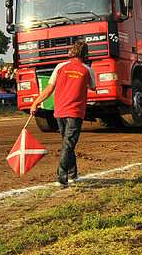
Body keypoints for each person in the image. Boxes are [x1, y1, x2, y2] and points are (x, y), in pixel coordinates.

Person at [31, 40, 96, 188]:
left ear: (71, 53)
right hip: (75, 112)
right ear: (86, 55)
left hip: (59, 111)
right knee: (68, 145)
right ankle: (61, 178)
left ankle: (72, 175)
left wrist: (35, 103)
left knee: (67, 144)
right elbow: (93, 87)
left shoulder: (60, 67)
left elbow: (48, 89)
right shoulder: (87, 70)